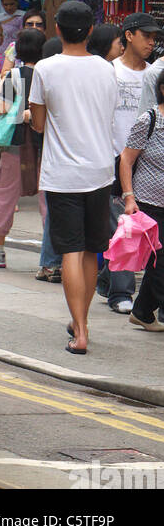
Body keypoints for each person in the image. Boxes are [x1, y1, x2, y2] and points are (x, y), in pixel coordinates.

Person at [29, 0, 119, 354]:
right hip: (100, 170)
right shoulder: (105, 68)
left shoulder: (46, 69)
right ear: (91, 31)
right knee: (92, 250)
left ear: (56, 30)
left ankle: (79, 332)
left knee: (70, 249)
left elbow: (38, 124)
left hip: (63, 173)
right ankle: (83, 321)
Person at [96, 13, 164, 315]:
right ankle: (121, 291)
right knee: (123, 227)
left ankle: (105, 278)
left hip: (146, 157)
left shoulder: (153, 74)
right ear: (129, 35)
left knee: (135, 231)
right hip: (115, 156)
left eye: (155, 37)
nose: (152, 42)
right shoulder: (108, 72)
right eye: (146, 35)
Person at [0, 26, 46, 269]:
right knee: (48, 199)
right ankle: (50, 258)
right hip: (45, 145)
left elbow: (1, 109)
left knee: (5, 195)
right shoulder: (47, 76)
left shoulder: (13, 77)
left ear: (18, 50)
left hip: (15, 145)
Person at [119, 67, 164, 330]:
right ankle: (143, 310)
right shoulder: (149, 121)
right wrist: (129, 197)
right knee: (159, 265)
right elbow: (126, 159)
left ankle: (143, 311)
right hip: (149, 204)